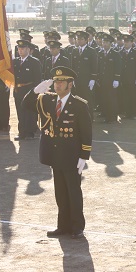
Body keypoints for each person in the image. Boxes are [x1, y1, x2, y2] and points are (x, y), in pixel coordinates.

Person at [23, 66, 92, 240]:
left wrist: (84, 156)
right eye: (55, 82)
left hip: (72, 156)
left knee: (73, 192)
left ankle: (77, 227)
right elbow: (25, 104)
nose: (57, 85)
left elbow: (86, 132)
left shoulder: (79, 105)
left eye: (61, 82)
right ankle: (63, 226)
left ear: (70, 84)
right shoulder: (47, 100)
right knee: (60, 193)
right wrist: (34, 91)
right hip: (55, 155)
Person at [13, 39, 42, 141]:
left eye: (23, 48)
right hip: (18, 90)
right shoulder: (15, 61)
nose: (20, 50)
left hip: (29, 90)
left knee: (29, 112)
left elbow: (37, 79)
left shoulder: (34, 62)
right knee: (20, 112)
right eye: (19, 48)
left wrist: (36, 92)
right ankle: (22, 132)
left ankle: (30, 132)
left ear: (28, 49)